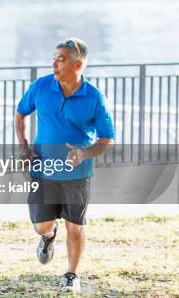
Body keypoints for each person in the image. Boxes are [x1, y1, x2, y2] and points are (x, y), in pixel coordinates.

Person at [15, 38, 115, 292]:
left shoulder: (94, 97)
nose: (54, 63)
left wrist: (84, 154)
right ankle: (48, 236)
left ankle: (72, 275)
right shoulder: (41, 87)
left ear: (77, 64)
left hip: (77, 173)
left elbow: (107, 138)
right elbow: (21, 112)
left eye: (61, 59)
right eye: (54, 57)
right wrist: (24, 146)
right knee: (41, 225)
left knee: (76, 226)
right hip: (43, 170)